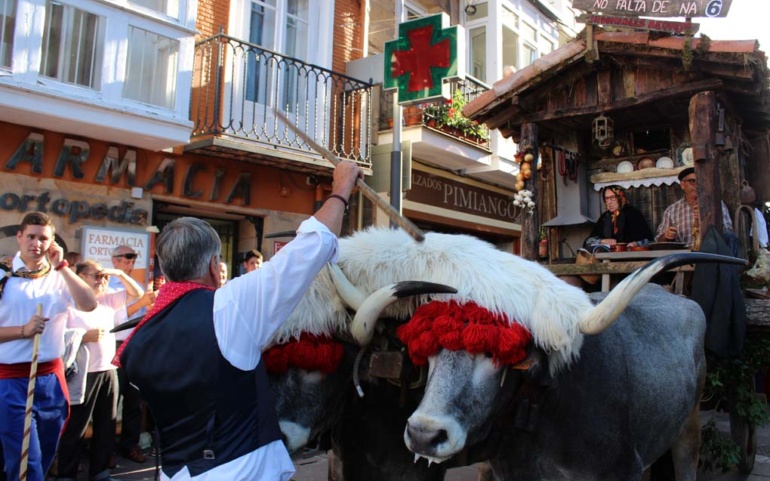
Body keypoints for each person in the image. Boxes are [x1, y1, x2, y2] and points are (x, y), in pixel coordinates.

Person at [116, 160, 362, 481]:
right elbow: (309, 248)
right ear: (212, 264)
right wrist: (341, 190)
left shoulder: (137, 339)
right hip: (241, 471)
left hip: (176, 473)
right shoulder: (228, 306)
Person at [0, 212, 97, 481]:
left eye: (44, 238)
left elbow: (89, 304)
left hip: (51, 381)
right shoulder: (2, 276)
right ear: (19, 237)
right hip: (11, 380)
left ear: (52, 242)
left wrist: (63, 266)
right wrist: (23, 331)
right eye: (31, 236)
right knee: (25, 463)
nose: (37, 243)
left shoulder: (60, 277)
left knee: (43, 457)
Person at [56, 260, 144, 481]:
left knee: (107, 423)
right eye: (96, 276)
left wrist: (117, 273)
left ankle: (100, 471)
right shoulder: (68, 302)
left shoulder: (108, 300)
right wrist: (83, 337)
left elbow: (137, 292)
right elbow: (57, 337)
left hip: (108, 370)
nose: (101, 280)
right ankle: (66, 473)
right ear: (80, 276)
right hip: (82, 374)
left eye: (104, 276)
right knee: (76, 426)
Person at [108, 245, 155, 464]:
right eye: (125, 260)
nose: (129, 264)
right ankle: (105, 450)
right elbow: (113, 319)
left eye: (133, 260)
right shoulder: (106, 283)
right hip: (113, 345)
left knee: (134, 401)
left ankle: (130, 445)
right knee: (109, 403)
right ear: (114, 260)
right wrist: (143, 302)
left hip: (133, 346)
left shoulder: (137, 284)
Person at [655, 167, 733, 248]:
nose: (697, 185)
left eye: (700, 181)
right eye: (692, 181)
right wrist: (666, 236)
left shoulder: (716, 204)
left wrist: (707, 219)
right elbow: (658, 239)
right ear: (682, 185)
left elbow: (729, 233)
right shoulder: (672, 210)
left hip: (712, 254)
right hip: (684, 256)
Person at [584, 185, 654, 249]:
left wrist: (636, 243)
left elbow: (649, 241)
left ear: (620, 198)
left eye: (612, 198)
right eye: (606, 199)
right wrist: (602, 241)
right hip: (608, 258)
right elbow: (588, 242)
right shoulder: (605, 217)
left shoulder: (633, 214)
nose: (609, 202)